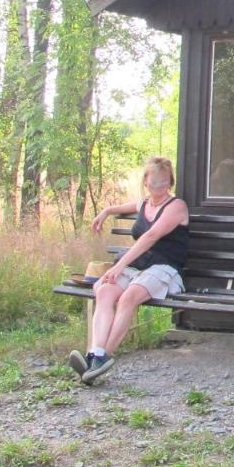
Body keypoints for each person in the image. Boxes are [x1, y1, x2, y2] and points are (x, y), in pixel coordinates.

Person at [68, 156, 189, 384]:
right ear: (146, 182)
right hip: (137, 266)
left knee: (128, 298)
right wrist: (106, 211)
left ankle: (101, 357)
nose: (160, 188)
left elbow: (151, 236)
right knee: (105, 290)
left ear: (170, 182)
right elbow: (125, 206)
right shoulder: (143, 204)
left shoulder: (176, 207)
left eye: (164, 183)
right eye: (155, 184)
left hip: (164, 267)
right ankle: (95, 355)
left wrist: (120, 265)